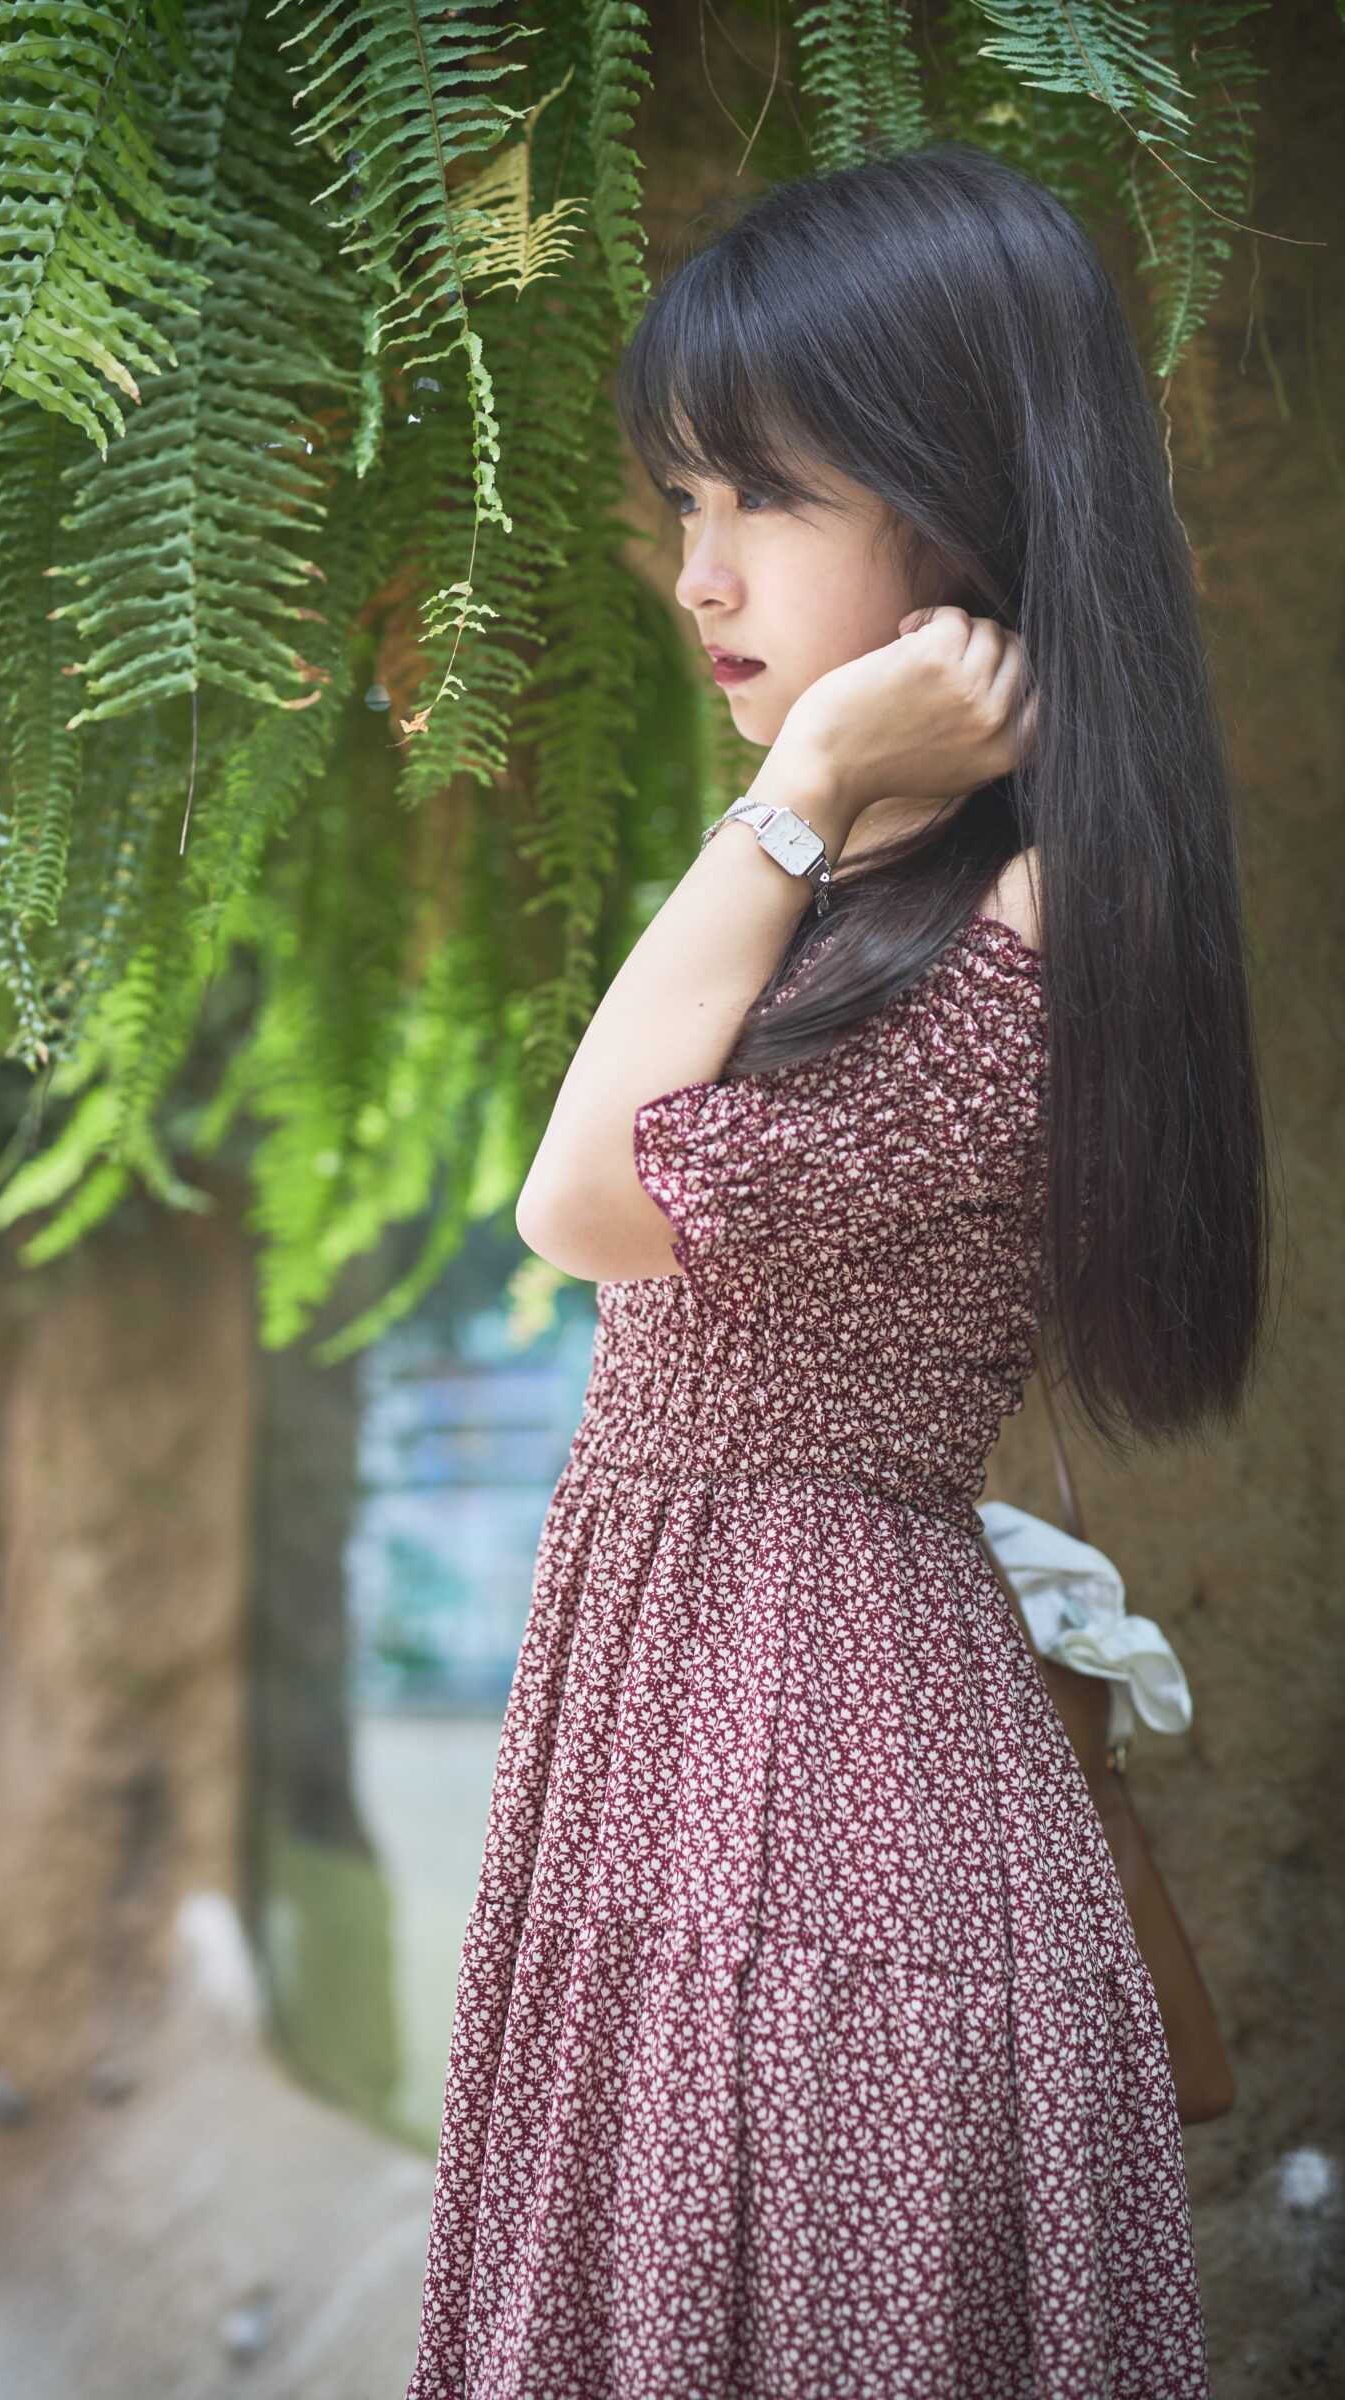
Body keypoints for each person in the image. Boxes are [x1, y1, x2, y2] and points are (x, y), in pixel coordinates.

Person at [404, 140, 1269, 2400]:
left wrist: (793, 784)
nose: (699, 571)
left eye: (767, 496)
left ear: (962, 505)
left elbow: (584, 1201)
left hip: (827, 1798)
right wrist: (804, 805)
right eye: (684, 499)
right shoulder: (871, 885)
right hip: (708, 1744)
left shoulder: (1028, 907)